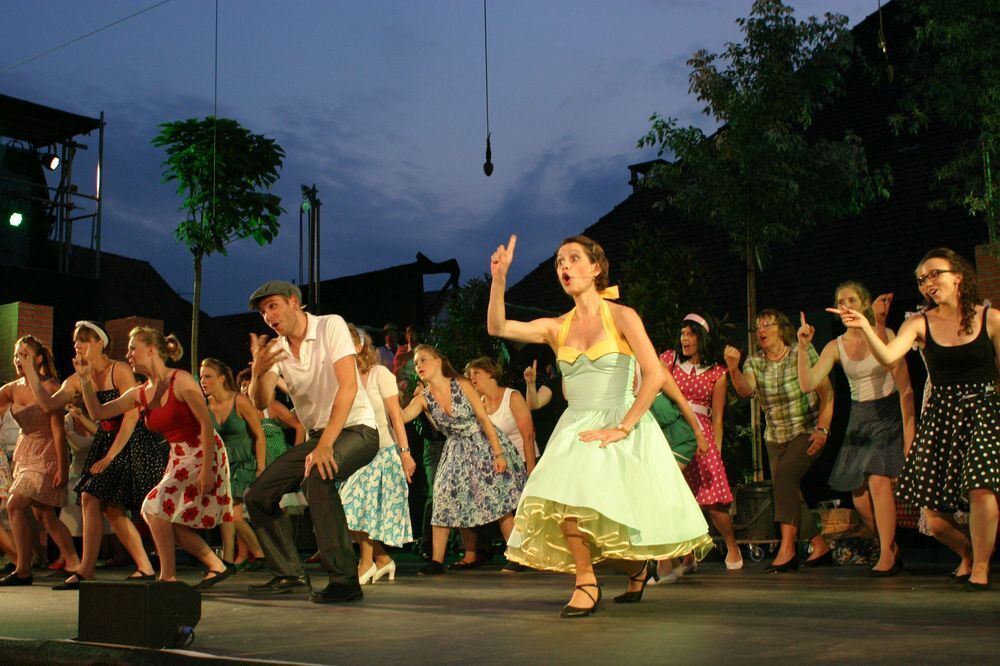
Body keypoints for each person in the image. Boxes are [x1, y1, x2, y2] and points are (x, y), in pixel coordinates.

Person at [488, 234, 712, 618]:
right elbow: (498, 327)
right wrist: (499, 279)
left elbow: (655, 374)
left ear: (595, 268)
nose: (564, 267)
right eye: (559, 262)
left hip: (618, 420)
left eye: (574, 259)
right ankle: (597, 579)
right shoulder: (556, 327)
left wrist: (623, 428)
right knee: (568, 507)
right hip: (576, 424)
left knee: (607, 523)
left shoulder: (622, 316)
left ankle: (620, 572)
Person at [829, 248, 998, 590]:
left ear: (958, 275)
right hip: (943, 415)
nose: (928, 283)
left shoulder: (991, 319)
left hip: (985, 409)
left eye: (935, 274)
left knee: (982, 489)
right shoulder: (918, 323)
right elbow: (890, 355)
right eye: (922, 279)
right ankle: (969, 553)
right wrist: (865, 324)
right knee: (934, 521)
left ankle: (980, 567)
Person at [244, 280, 380, 603]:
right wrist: (258, 373)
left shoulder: (329, 325)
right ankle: (290, 572)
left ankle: (345, 580)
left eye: (273, 306)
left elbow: (347, 386)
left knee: (317, 476)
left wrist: (325, 445)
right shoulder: (276, 350)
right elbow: (260, 401)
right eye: (263, 312)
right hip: (321, 436)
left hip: (357, 428)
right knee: (257, 496)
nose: (268, 316)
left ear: (294, 302)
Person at [77, 327, 234, 588]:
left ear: (151, 350)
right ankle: (216, 566)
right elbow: (98, 412)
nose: (128, 354)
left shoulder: (180, 380)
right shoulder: (142, 392)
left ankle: (168, 577)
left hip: (202, 450)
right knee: (167, 516)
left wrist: (207, 470)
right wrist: (84, 379)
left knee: (153, 507)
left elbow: (206, 425)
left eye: (132, 347)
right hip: (178, 456)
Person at [17, 321, 167, 589]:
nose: (78, 345)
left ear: (100, 342)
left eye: (84, 340)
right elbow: (49, 404)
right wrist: (29, 370)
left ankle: (89, 569)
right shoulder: (76, 378)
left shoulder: (118, 370)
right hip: (106, 438)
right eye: (76, 341)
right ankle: (141, 566)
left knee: (92, 498)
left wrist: (110, 457)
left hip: (129, 439)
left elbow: (131, 416)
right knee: (110, 508)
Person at [798, 283, 915, 575]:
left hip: (886, 411)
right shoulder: (835, 346)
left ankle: (886, 554)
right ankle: (890, 546)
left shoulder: (884, 334)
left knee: (878, 480)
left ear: (864, 304)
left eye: (852, 299)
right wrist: (802, 348)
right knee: (860, 498)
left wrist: (909, 434)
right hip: (859, 416)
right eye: (841, 301)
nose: (846, 304)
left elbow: (905, 388)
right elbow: (808, 384)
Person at [400, 345, 526, 575]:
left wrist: (498, 453)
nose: (419, 366)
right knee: (444, 497)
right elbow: (402, 416)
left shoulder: (462, 384)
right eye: (416, 363)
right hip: (456, 449)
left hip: (481, 443)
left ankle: (517, 554)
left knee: (497, 497)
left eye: (423, 360)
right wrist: (386, 397)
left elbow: (484, 419)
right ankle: (437, 561)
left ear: (438, 362)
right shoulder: (423, 399)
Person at [725, 309, 834, 572]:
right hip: (775, 436)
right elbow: (745, 391)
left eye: (767, 324)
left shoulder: (801, 352)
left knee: (784, 479)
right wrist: (733, 368)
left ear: (781, 328)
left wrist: (823, 429)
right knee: (788, 490)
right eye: (758, 326)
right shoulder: (755, 362)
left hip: (805, 429)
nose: (761, 330)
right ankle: (819, 544)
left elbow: (826, 392)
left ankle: (787, 550)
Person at [660, 313, 742, 571]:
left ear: (701, 337)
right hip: (674, 432)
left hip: (702, 434)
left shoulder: (717, 373)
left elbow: (717, 416)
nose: (684, 338)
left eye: (690, 333)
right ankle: (686, 556)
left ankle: (731, 545)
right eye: (682, 333)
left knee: (713, 501)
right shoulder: (669, 361)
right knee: (676, 498)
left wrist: (715, 449)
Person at [0, 336, 80, 586]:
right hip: (24, 454)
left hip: (47, 453)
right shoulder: (10, 389)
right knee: (45, 515)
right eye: (16, 355)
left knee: (15, 505)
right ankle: (74, 562)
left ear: (36, 359)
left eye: (23, 355)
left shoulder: (49, 386)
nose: (18, 359)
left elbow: (58, 430)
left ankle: (23, 569)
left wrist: (62, 467)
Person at [340, 325, 416, 583]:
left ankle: (366, 562)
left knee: (363, 507)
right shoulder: (342, 379)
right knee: (345, 509)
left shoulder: (379, 374)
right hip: (353, 452)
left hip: (381, 451)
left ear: (359, 346)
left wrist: (405, 453)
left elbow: (396, 417)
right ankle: (382, 559)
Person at [200, 358, 267, 568]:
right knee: (226, 514)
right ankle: (230, 559)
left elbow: (259, 435)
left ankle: (261, 552)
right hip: (222, 463)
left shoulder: (240, 401)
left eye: (208, 376)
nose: (203, 381)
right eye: (201, 377)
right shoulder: (205, 405)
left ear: (221, 379)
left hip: (244, 462)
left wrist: (261, 467)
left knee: (232, 514)